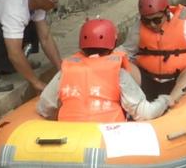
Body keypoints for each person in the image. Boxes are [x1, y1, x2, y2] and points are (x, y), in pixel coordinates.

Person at [37, 19, 171, 122]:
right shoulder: (119, 74)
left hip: (69, 138)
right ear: (113, 44)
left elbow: (44, 108)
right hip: (108, 139)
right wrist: (164, 101)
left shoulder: (65, 72)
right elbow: (145, 113)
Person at [120, 0, 186, 102]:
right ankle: (133, 103)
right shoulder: (138, 29)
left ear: (166, 12)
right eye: (146, 21)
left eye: (156, 20)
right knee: (121, 64)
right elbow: (126, 51)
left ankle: (171, 102)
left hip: (177, 81)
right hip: (147, 79)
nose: (151, 24)